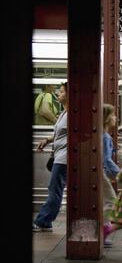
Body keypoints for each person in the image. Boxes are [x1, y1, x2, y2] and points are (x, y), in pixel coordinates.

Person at [32, 82, 68, 232]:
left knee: (54, 190)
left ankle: (42, 221)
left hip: (63, 158)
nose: (58, 94)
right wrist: (47, 140)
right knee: (55, 189)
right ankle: (45, 222)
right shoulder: (64, 113)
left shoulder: (72, 114)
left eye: (61, 92)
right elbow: (61, 134)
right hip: (59, 155)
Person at [102, 103, 121, 246]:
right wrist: (120, 174)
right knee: (111, 201)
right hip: (101, 173)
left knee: (104, 202)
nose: (115, 117)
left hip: (100, 172)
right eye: (113, 115)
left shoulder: (101, 135)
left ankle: (102, 232)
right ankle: (103, 231)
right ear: (106, 118)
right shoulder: (106, 137)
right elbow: (106, 159)